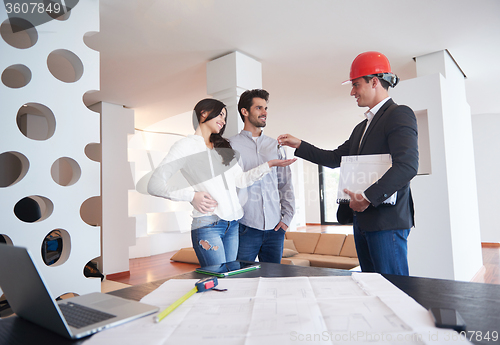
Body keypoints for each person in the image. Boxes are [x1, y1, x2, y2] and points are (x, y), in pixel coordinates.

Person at [278, 52, 418, 276]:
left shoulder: (399, 114)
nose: (352, 92)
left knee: (394, 288)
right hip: (362, 221)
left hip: (386, 222)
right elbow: (334, 159)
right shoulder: (361, 129)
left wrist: (368, 198)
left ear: (374, 81)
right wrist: (299, 144)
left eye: (356, 85)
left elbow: (408, 166)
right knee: (371, 287)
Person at [147, 98, 296, 267]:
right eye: (220, 115)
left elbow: (241, 180)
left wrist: (269, 165)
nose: (223, 121)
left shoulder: (222, 147)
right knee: (219, 279)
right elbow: (155, 184)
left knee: (231, 281)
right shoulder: (185, 146)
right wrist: (191, 196)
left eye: (225, 117)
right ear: (203, 113)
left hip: (232, 225)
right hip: (208, 224)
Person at [229, 89, 295, 264]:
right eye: (259, 108)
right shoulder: (230, 146)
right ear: (245, 111)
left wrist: (287, 218)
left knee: (274, 282)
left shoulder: (276, 146)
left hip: (275, 229)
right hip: (245, 227)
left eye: (265, 108)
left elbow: (285, 184)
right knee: (241, 280)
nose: (264, 113)